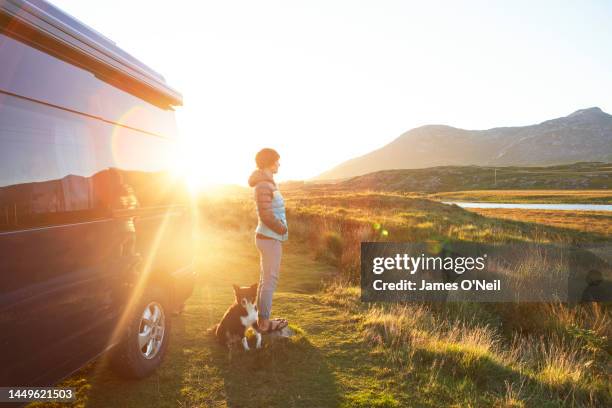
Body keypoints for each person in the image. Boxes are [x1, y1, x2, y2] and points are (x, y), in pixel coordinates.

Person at [248, 148, 289, 333]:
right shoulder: (264, 185)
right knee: (270, 280)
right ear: (269, 162)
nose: (279, 164)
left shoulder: (267, 183)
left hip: (267, 237)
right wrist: (282, 228)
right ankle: (264, 323)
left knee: (265, 280)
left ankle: (261, 318)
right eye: (277, 161)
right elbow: (266, 215)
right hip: (269, 237)